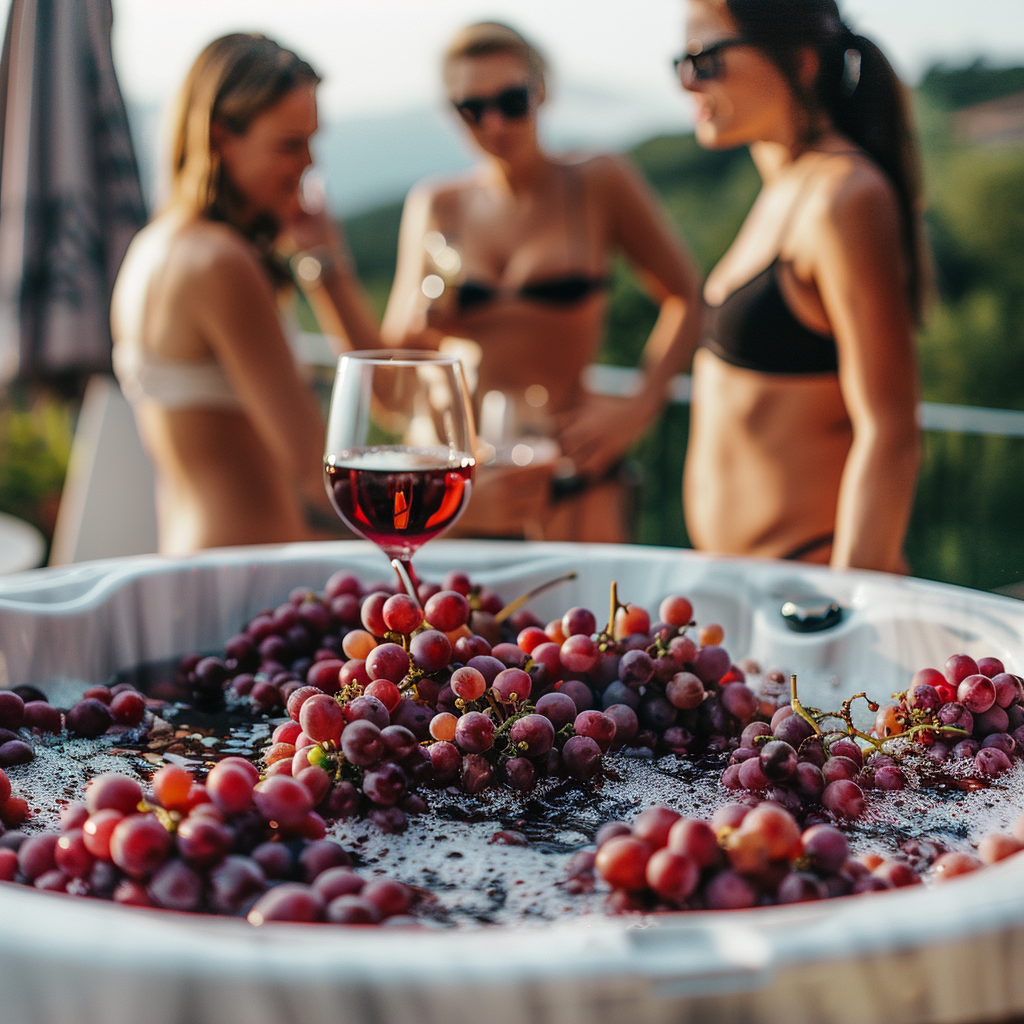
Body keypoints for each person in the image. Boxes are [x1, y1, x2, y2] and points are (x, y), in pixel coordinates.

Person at [381, 22, 702, 542]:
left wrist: (638, 407)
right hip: (459, 476)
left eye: (511, 100)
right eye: (471, 108)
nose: (493, 123)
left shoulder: (598, 181)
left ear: (542, 91)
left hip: (569, 466)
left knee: (578, 622)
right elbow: (395, 363)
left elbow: (687, 295)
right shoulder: (437, 204)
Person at [678, 0, 925, 572]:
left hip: (813, 593)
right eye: (682, 61)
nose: (688, 81)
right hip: (750, 587)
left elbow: (890, 429)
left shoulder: (845, 196)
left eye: (706, 58)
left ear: (801, 60)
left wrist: (846, 607)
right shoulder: (786, 186)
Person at [111, 34, 379, 554]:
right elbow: (317, 471)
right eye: (289, 144)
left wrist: (319, 260)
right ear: (221, 138)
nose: (309, 163)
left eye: (312, 140)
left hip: (193, 558)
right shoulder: (222, 262)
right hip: (247, 577)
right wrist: (472, 511)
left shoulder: (153, 246)